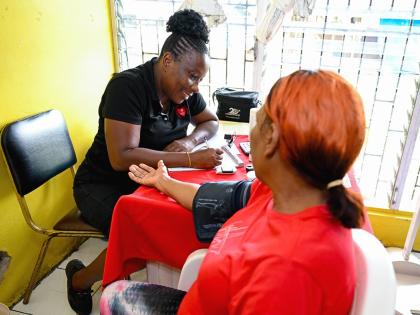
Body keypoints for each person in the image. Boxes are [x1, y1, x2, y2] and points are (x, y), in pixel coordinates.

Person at [100, 69, 367, 314]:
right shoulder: (282, 192)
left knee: (113, 299)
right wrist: (164, 181)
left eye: (257, 120)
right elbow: (212, 199)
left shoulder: (288, 271)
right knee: (114, 295)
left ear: (272, 138)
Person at [66, 9, 223, 315]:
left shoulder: (183, 92)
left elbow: (212, 122)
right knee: (141, 230)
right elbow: (121, 156)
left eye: (199, 80)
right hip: (102, 184)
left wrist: (190, 141)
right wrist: (188, 158)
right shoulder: (127, 87)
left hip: (148, 180)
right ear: (167, 61)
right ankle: (80, 281)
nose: (195, 87)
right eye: (192, 77)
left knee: (178, 223)